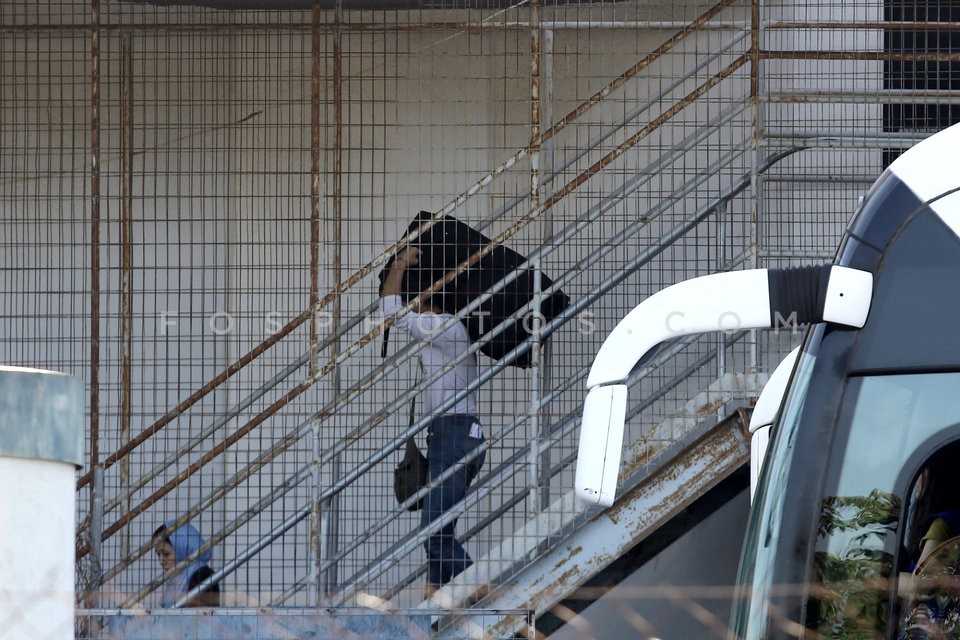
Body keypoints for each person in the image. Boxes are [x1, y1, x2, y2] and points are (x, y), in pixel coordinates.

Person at [379, 246, 487, 597]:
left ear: (427, 298)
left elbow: (391, 313)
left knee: (434, 533)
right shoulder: (443, 332)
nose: (410, 303)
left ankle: (490, 602)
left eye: (415, 297)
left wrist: (400, 265)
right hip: (449, 435)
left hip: (455, 435)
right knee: (438, 535)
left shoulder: (444, 326)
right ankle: (439, 601)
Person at [152, 520, 221, 607]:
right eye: (159, 554)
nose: (161, 561)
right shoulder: (178, 577)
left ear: (182, 549)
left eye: (166, 554)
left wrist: (182, 598)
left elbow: (207, 614)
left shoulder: (201, 575)